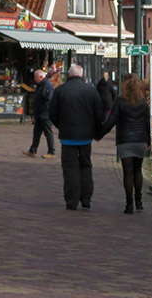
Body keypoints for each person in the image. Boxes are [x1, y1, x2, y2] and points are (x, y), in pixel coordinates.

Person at [48, 63, 104, 210]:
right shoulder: (91, 91)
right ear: (82, 75)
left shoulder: (60, 90)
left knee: (69, 168)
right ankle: (86, 198)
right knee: (86, 166)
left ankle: (71, 201)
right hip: (86, 136)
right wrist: (97, 131)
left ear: (69, 75)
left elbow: (52, 113)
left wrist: (61, 125)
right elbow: (99, 114)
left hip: (68, 136)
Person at [98, 74, 152, 213]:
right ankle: (139, 201)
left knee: (127, 173)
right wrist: (148, 141)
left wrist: (99, 134)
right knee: (138, 171)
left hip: (125, 140)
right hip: (140, 140)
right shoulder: (143, 102)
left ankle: (129, 205)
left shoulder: (120, 101)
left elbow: (111, 121)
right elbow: (147, 123)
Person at [22, 69, 56, 158]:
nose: (34, 79)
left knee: (48, 132)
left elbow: (49, 100)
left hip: (45, 114)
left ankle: (52, 152)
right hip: (39, 115)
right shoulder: (40, 85)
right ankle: (33, 150)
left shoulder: (47, 86)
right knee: (36, 133)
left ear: (41, 77)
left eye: (36, 77)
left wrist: (43, 111)